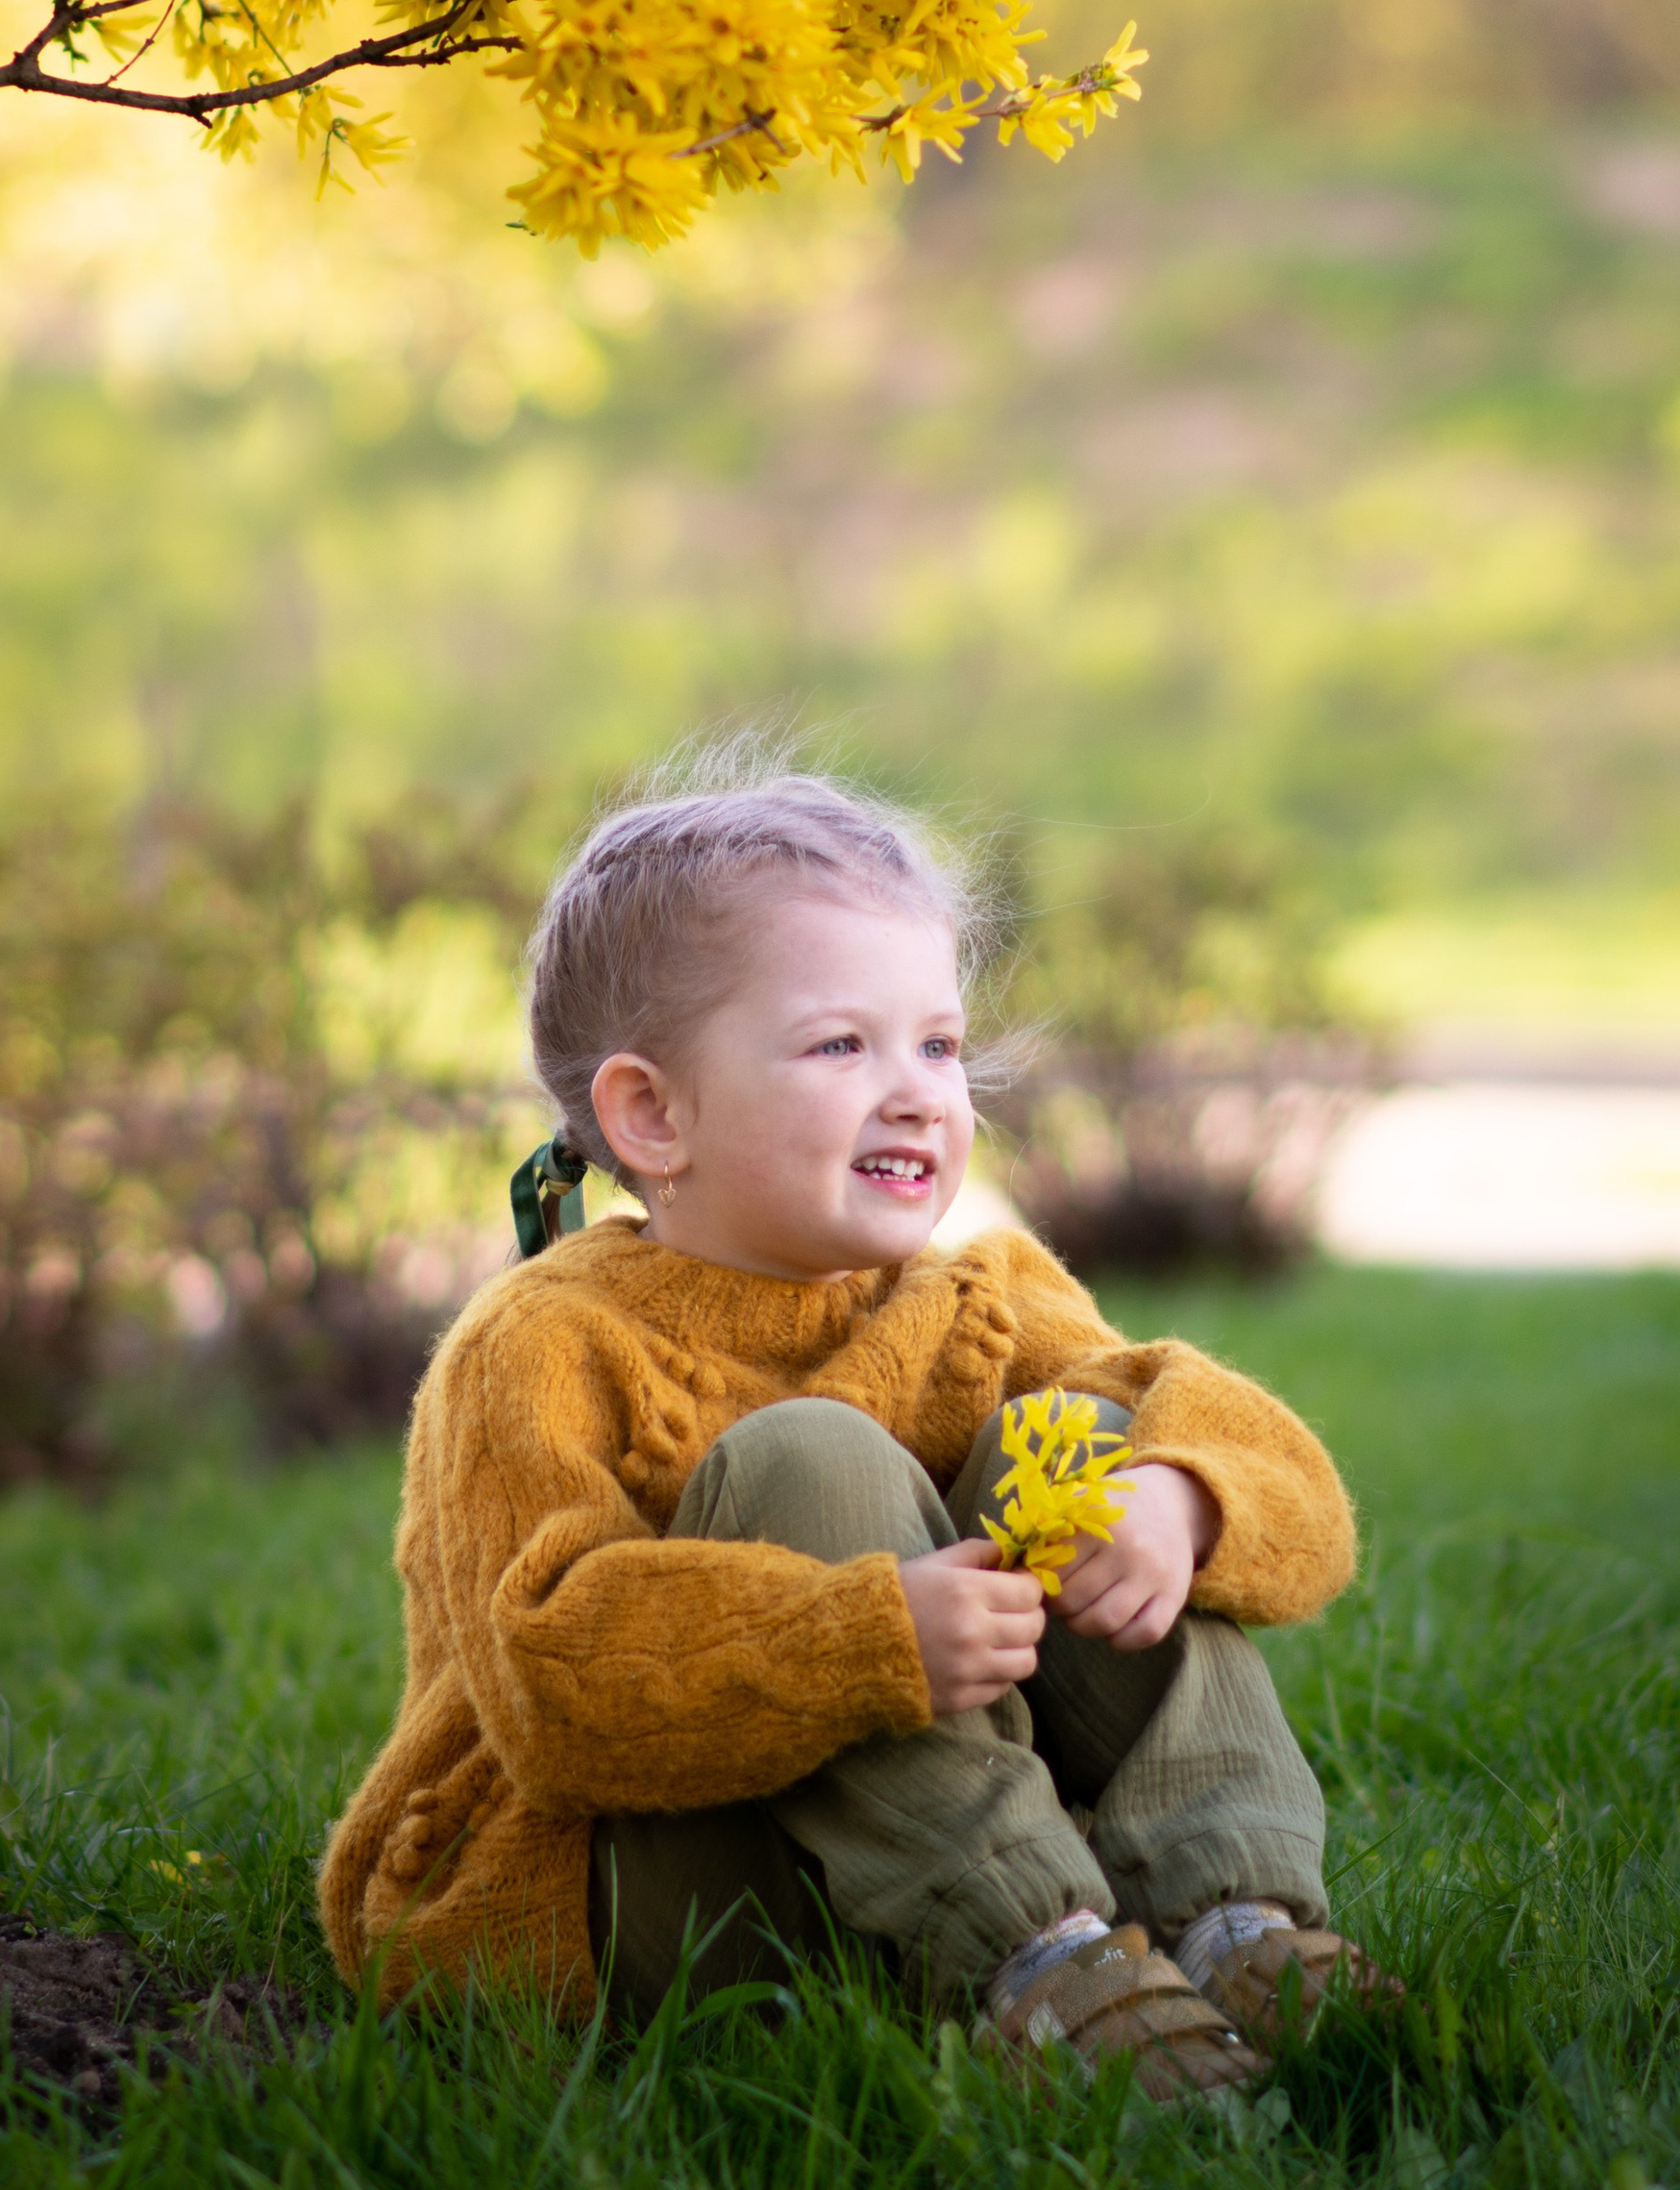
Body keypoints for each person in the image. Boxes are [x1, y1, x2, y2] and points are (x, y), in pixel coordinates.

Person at [319, 767, 1378, 2095]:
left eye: (938, 1045)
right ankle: (1047, 1972)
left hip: (884, 1868)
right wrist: (862, 1642)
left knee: (1091, 1436)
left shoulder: (982, 1296)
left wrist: (1185, 1498)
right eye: (840, 1047)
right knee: (808, 1456)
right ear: (654, 1113)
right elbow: (550, 1692)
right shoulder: (537, 1345)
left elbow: (1302, 1506)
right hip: (632, 1881)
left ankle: (1239, 1929)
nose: (920, 1093)